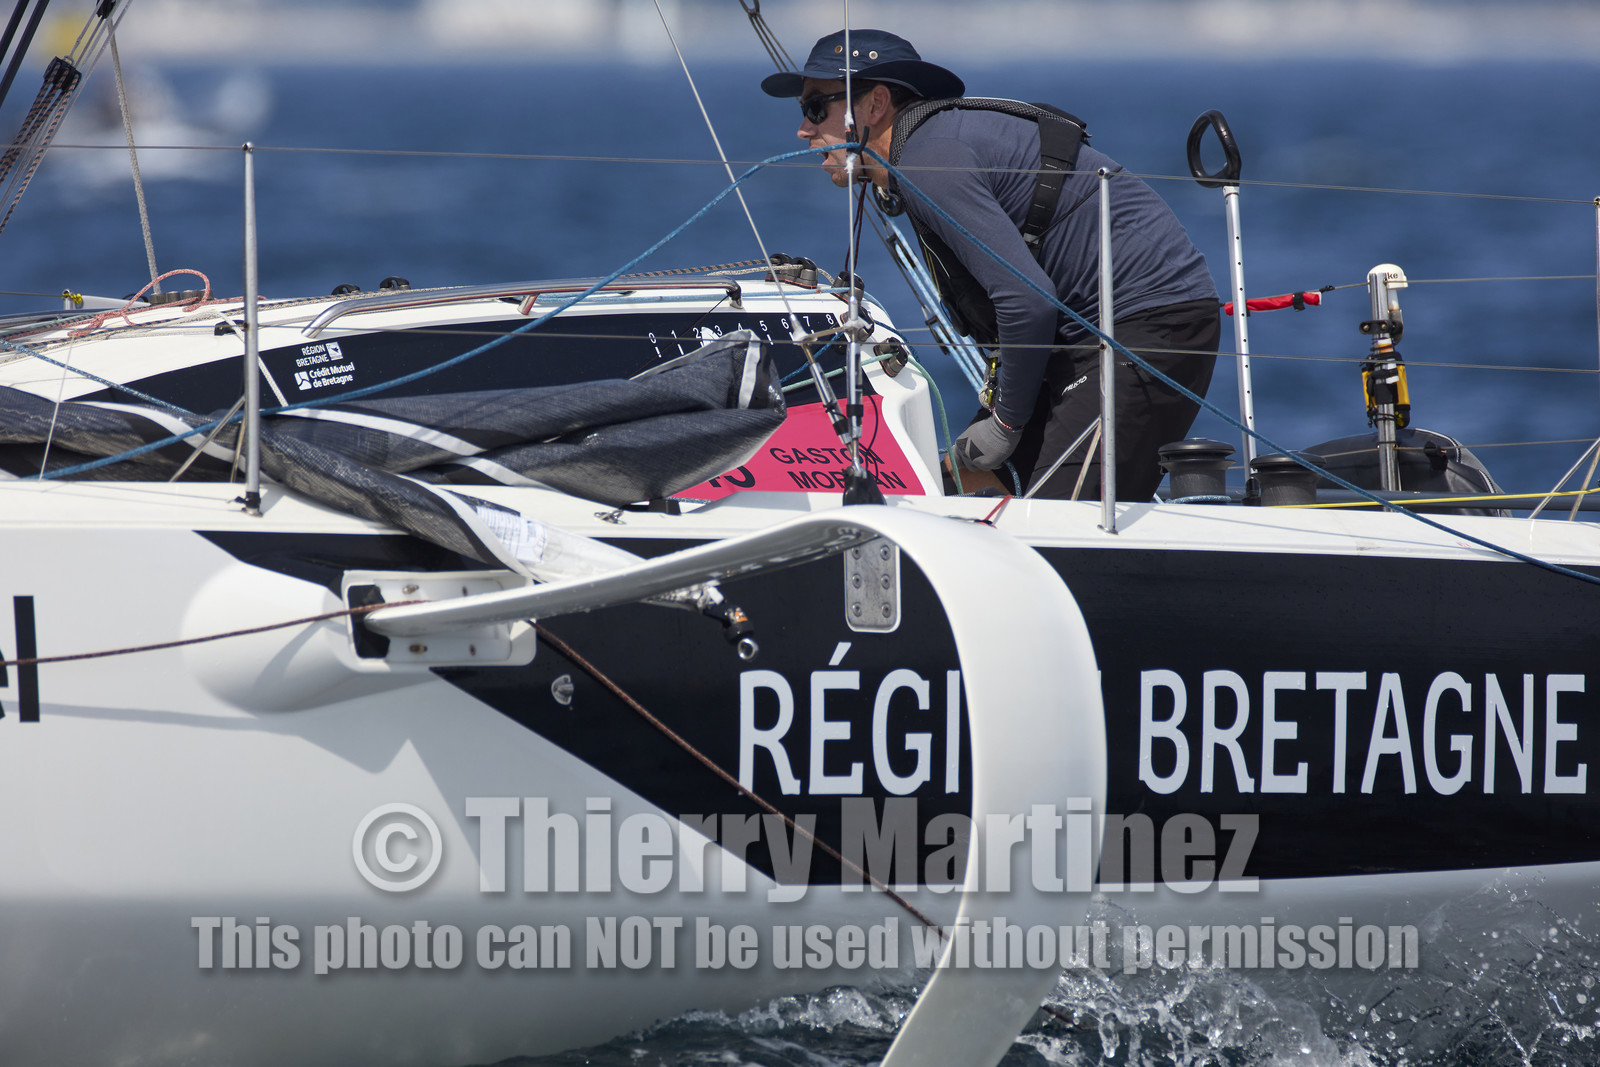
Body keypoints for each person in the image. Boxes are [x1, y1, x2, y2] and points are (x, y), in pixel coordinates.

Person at [762, 29, 1220, 499]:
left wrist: (1005, 424)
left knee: (1058, 520)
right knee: (950, 493)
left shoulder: (928, 159)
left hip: (1146, 327)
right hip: (1086, 337)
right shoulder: (927, 148)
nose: (803, 130)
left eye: (815, 108)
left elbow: (1027, 300)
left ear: (876, 104)